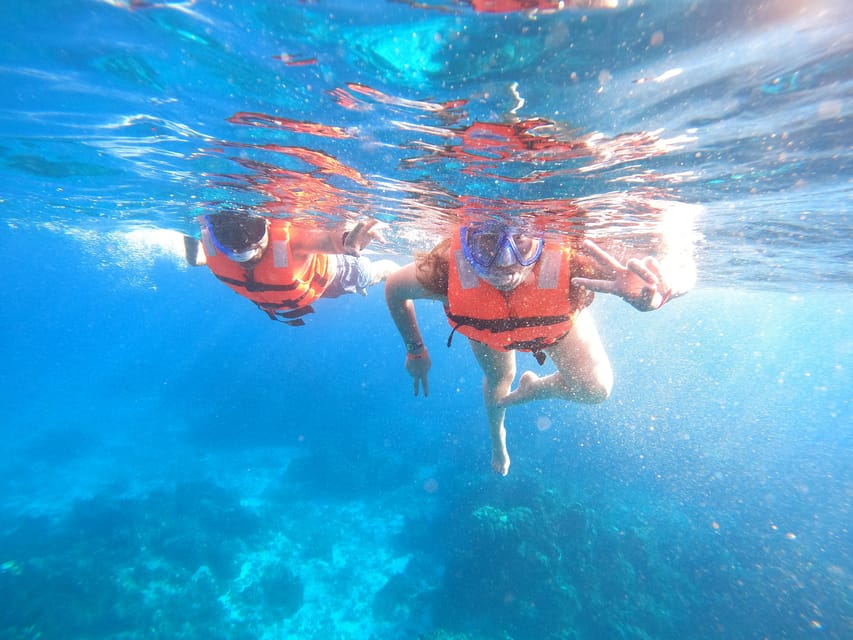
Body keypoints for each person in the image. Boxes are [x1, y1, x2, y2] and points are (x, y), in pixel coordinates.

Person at [385, 220, 694, 476]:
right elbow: (394, 288)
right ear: (466, 242)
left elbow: (684, 271)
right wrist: (415, 350)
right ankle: (497, 440)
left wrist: (662, 291)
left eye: (520, 239)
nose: (505, 263)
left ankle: (535, 387)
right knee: (499, 382)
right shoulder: (447, 271)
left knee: (596, 389)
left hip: (552, 329)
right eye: (488, 242)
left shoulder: (573, 258)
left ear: (541, 238)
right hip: (488, 330)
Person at [185, 212, 398, 325]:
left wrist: (347, 241)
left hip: (337, 275)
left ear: (266, 224)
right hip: (295, 290)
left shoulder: (291, 243)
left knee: (382, 271)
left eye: (254, 231)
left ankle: (414, 271)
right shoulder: (214, 248)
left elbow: (327, 241)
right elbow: (200, 258)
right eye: (226, 238)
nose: (243, 243)